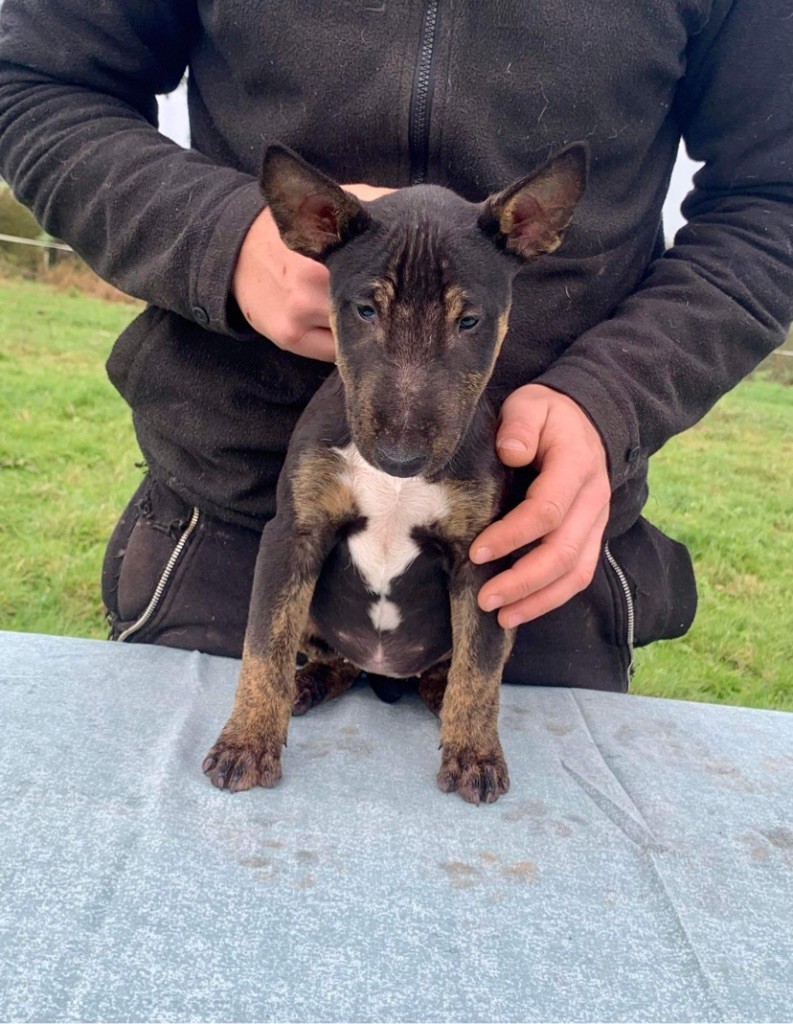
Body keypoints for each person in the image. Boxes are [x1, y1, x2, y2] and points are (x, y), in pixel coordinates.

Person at [0, 1, 790, 691]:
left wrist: (614, 393)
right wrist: (221, 236)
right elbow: (32, 81)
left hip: (529, 552)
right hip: (237, 529)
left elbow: (773, 198)